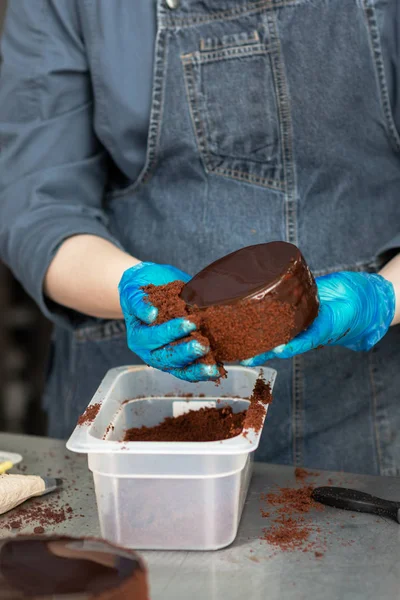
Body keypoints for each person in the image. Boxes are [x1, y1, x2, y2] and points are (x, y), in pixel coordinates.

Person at [0, 0, 399, 475]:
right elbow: (39, 207)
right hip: (142, 414)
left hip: (364, 417)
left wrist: (387, 296)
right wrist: (141, 293)